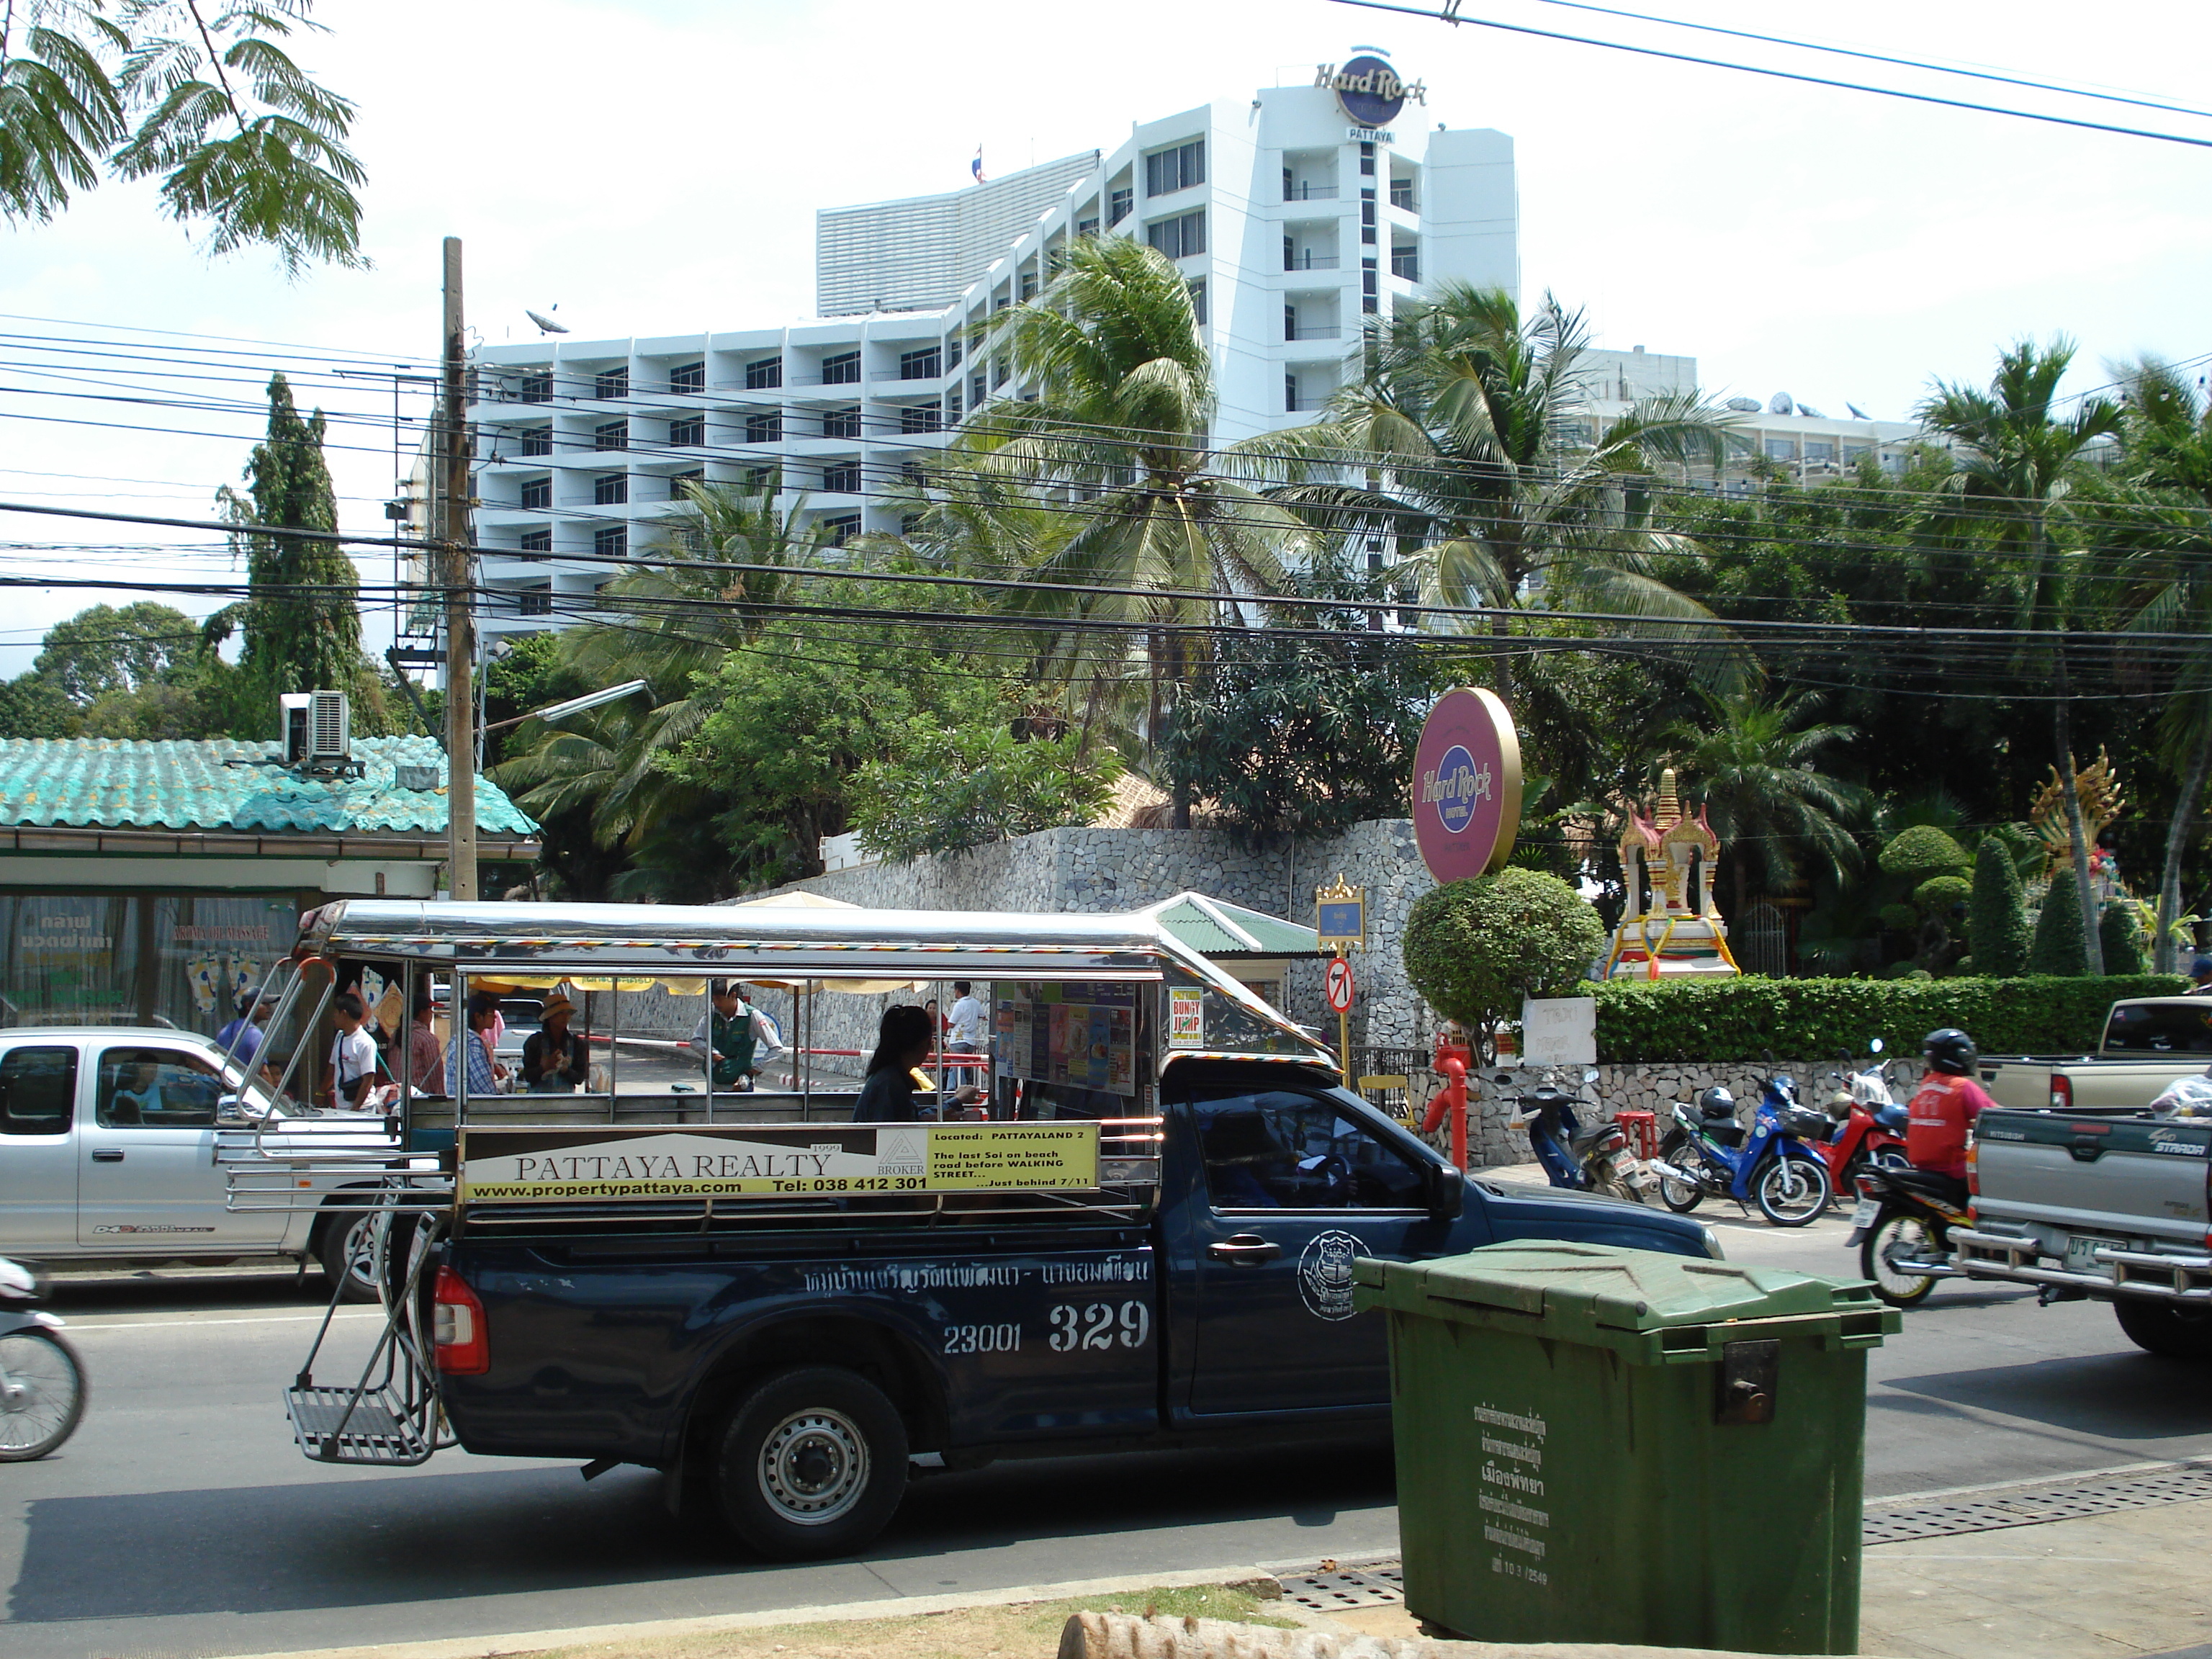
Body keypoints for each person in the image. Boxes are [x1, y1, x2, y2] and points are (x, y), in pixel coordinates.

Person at [1905, 1027, 1994, 1205]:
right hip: (1952, 1168)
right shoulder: (1961, 1087)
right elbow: (1994, 1115)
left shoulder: (1927, 1085)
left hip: (1921, 1165)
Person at [853, 1004, 984, 1123]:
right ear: (920, 1043)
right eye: (929, 1041)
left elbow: (912, 1118)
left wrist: (955, 1102)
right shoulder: (889, 1083)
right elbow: (895, 1132)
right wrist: (956, 1101)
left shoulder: (890, 1078)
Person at [688, 980, 781, 1092]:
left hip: (741, 1086)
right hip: (715, 1084)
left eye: (720, 999)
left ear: (733, 996)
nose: (716, 1003)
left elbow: (776, 1048)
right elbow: (695, 1041)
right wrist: (712, 1053)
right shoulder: (713, 1014)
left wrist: (753, 1071)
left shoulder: (752, 1016)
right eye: (714, 999)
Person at [444, 992, 509, 1098]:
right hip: (471, 1109)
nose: (495, 1017)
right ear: (478, 1017)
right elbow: (484, 1087)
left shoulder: (461, 1038)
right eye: (491, 1013)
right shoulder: (472, 1042)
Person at [522, 994, 587, 1093]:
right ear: (550, 1017)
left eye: (568, 1013)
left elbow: (580, 1078)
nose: (565, 1017)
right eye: (561, 1013)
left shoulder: (576, 1043)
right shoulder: (535, 1042)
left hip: (566, 1102)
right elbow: (528, 1076)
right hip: (538, 1102)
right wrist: (544, 1067)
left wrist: (565, 1070)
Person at [327, 992, 380, 1110]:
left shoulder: (365, 1043)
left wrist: (354, 1110)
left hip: (362, 1109)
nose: (333, 1018)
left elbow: (368, 1080)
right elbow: (332, 1067)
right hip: (341, 1105)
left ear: (344, 1014)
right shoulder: (340, 1037)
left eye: (335, 1013)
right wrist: (321, 1092)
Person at [215, 989, 277, 1074]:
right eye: (264, 1003)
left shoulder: (225, 1030)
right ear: (249, 1006)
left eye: (269, 1004)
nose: (269, 1008)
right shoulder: (253, 1034)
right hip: (245, 1086)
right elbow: (263, 1072)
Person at [407, 989, 446, 1095]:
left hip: (396, 1096)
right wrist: (441, 1100)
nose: (432, 1013)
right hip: (420, 1100)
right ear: (422, 1012)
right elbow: (436, 1076)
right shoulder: (427, 1040)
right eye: (430, 1009)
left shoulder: (396, 1035)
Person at [946, 981, 987, 1054]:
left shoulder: (959, 1005)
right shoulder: (975, 1003)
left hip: (958, 1040)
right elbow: (983, 1016)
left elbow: (951, 1024)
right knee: (967, 1064)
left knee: (957, 1065)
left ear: (958, 990)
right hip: (971, 1041)